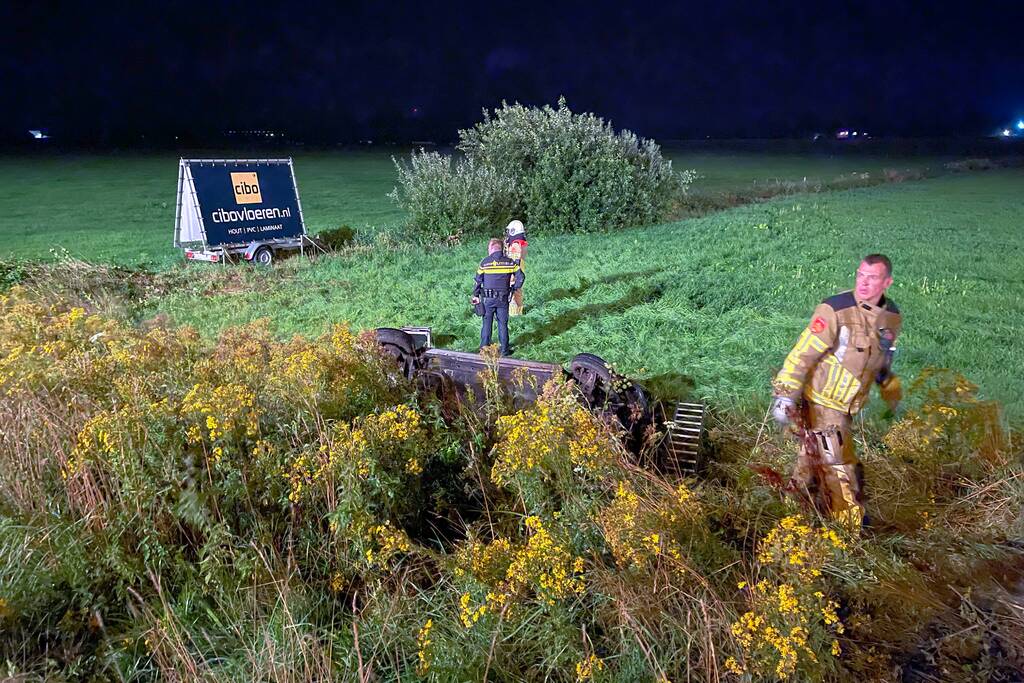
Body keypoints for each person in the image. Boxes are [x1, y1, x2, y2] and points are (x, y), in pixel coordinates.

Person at [771, 254, 903, 527]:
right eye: (860, 275)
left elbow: (882, 362)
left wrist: (892, 393)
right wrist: (785, 393)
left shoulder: (891, 317)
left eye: (873, 277)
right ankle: (848, 526)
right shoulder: (836, 309)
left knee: (811, 458)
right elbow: (803, 354)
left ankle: (789, 509)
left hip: (848, 406)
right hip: (821, 401)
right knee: (837, 463)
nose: (864, 283)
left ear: (887, 282)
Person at [471, 238, 524, 356]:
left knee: (486, 324)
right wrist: (514, 288)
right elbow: (521, 277)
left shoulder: (484, 263)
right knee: (503, 324)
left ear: (492, 248)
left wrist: (475, 295)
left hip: (488, 300)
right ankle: (504, 350)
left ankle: (484, 350)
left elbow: (477, 281)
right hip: (503, 299)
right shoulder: (510, 262)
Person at [504, 220, 528, 316]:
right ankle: (519, 311)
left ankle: (513, 313)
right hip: (519, 269)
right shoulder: (521, 243)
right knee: (518, 291)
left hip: (514, 271)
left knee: (513, 290)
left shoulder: (515, 244)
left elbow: (514, 261)